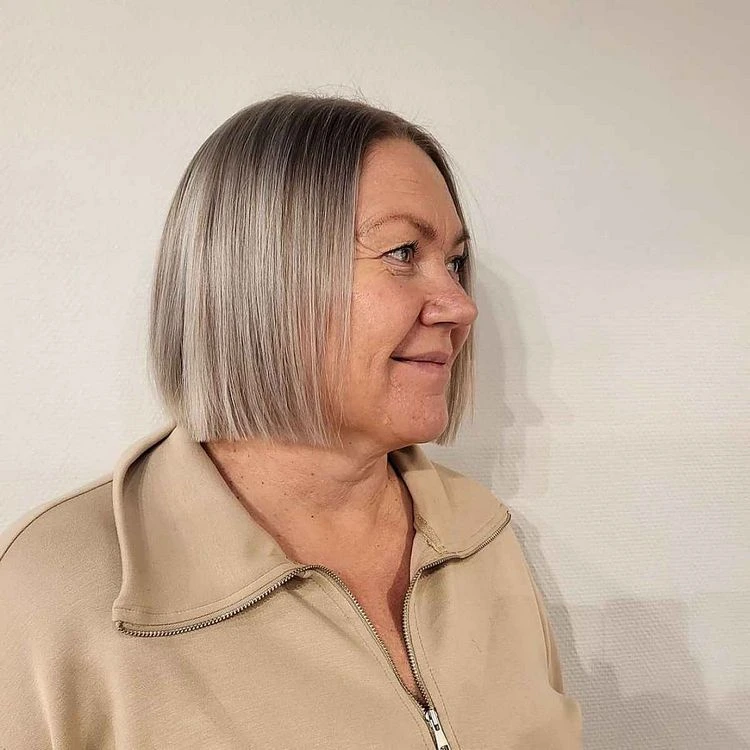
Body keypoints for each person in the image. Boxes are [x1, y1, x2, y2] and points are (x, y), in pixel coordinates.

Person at [0, 94, 583, 749]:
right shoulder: (51, 590)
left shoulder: (481, 537)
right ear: (260, 276)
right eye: (401, 252)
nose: (459, 305)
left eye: (453, 262)